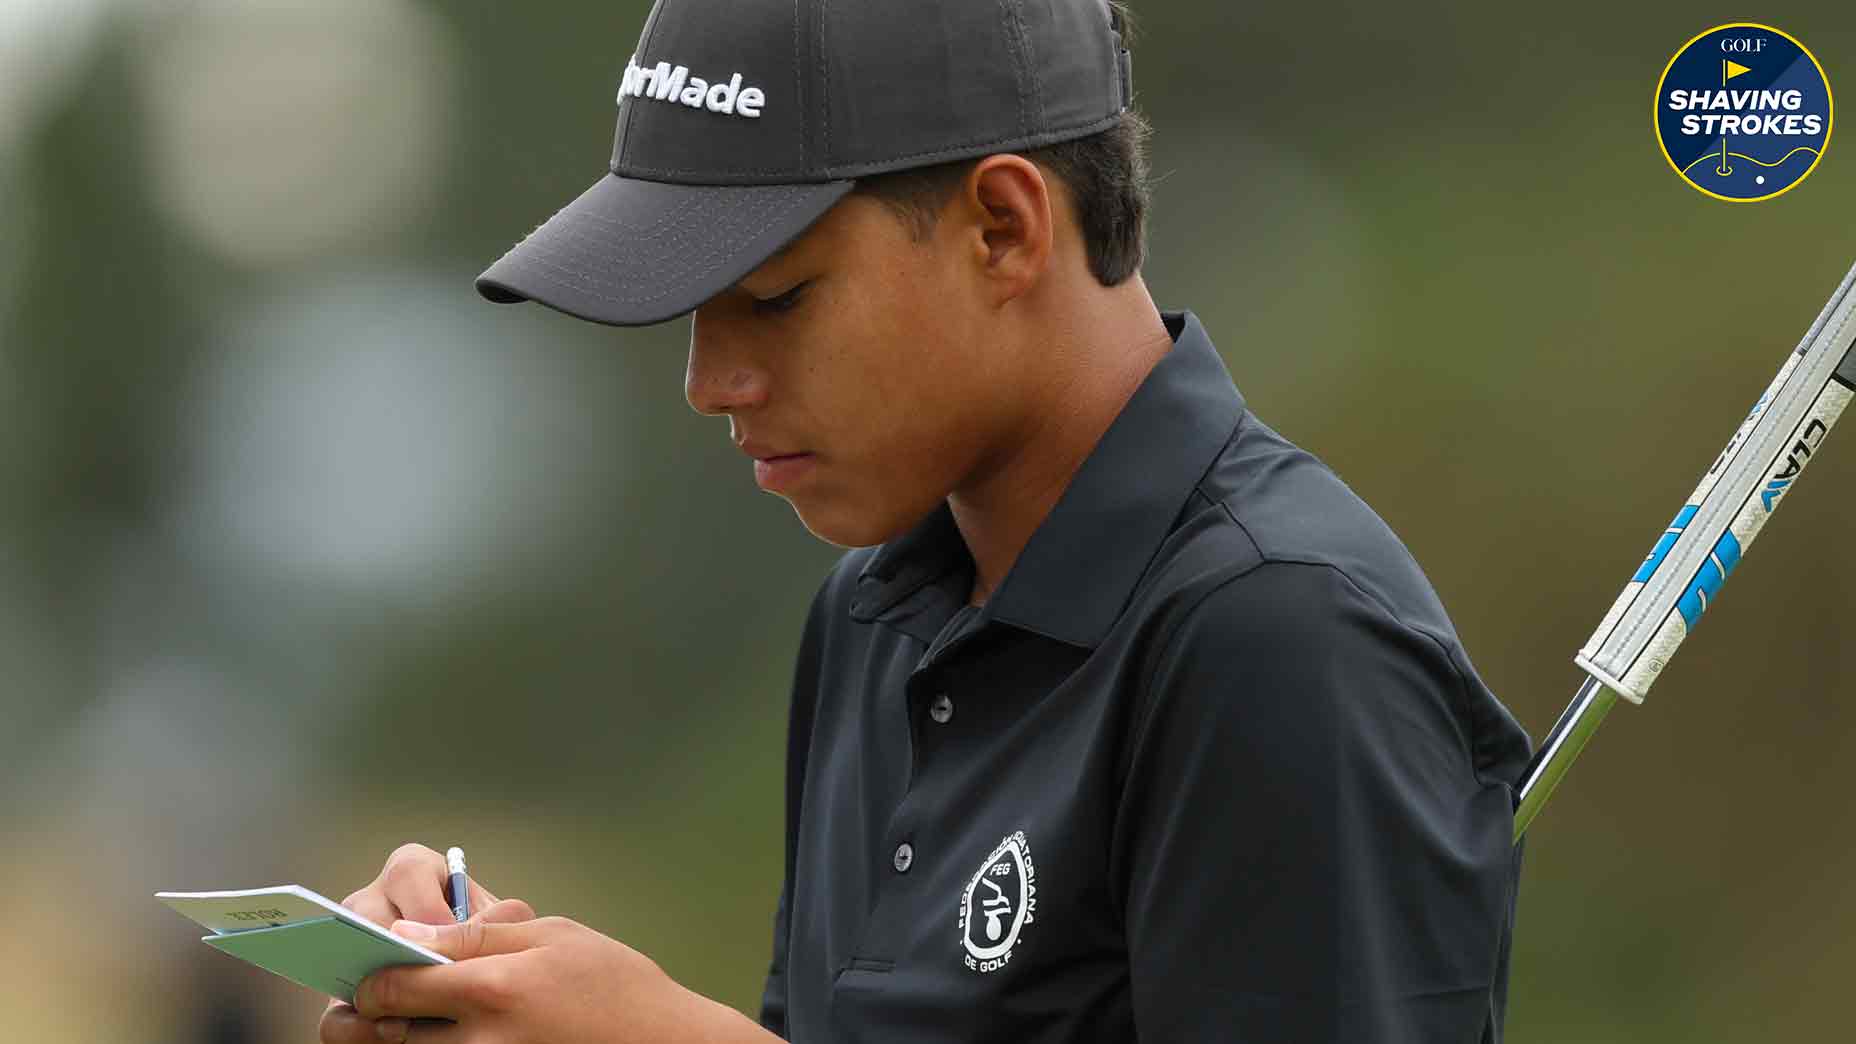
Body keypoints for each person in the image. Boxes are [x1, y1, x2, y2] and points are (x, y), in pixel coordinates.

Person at [319, 1, 1532, 1041]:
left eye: (772, 298)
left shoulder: (1280, 640)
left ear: (1002, 228)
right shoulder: (874, 612)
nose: (709, 381)